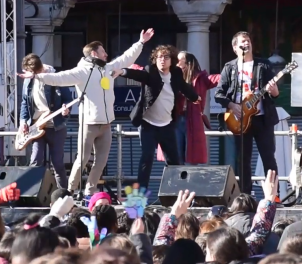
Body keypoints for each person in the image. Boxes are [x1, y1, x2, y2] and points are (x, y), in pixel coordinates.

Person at [19, 29, 155, 196]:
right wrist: (37, 77)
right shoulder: (82, 72)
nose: (106, 54)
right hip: (89, 124)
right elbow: (59, 78)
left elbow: (126, 58)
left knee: (101, 161)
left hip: (106, 124)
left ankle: (90, 191)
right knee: (82, 160)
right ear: (94, 53)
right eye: (103, 51)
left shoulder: (108, 68)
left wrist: (140, 42)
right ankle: (70, 190)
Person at [112, 45, 199, 189]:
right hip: (148, 124)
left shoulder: (176, 73)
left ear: (172, 60)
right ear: (155, 59)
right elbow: (138, 75)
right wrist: (122, 71)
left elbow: (184, 87)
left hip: (167, 125)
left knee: (174, 161)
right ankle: (141, 196)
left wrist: (195, 97)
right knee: (146, 158)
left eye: (166, 57)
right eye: (159, 57)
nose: (162, 60)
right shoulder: (150, 71)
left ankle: (175, 193)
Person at [214, 31, 280, 194]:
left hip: (262, 119)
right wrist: (232, 104)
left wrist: (274, 90)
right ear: (235, 47)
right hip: (239, 118)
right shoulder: (230, 67)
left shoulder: (263, 65)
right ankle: (245, 196)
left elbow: (276, 94)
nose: (247, 44)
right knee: (243, 160)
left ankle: (274, 195)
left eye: (248, 41)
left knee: (269, 158)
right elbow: (218, 94)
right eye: (243, 42)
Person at [19, 54, 73, 188]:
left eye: (33, 73)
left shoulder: (56, 77)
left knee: (58, 164)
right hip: (36, 126)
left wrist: (66, 109)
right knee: (35, 160)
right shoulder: (28, 81)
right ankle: (32, 193)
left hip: (56, 126)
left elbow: (67, 99)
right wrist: (23, 122)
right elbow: (25, 102)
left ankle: (63, 194)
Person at [175, 51, 220, 164]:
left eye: (179, 60)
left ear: (188, 62)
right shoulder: (172, 76)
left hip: (193, 119)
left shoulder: (200, 78)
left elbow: (216, 78)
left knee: (192, 156)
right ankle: (176, 180)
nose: (176, 62)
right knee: (175, 155)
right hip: (176, 118)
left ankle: (190, 180)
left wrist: (232, 73)